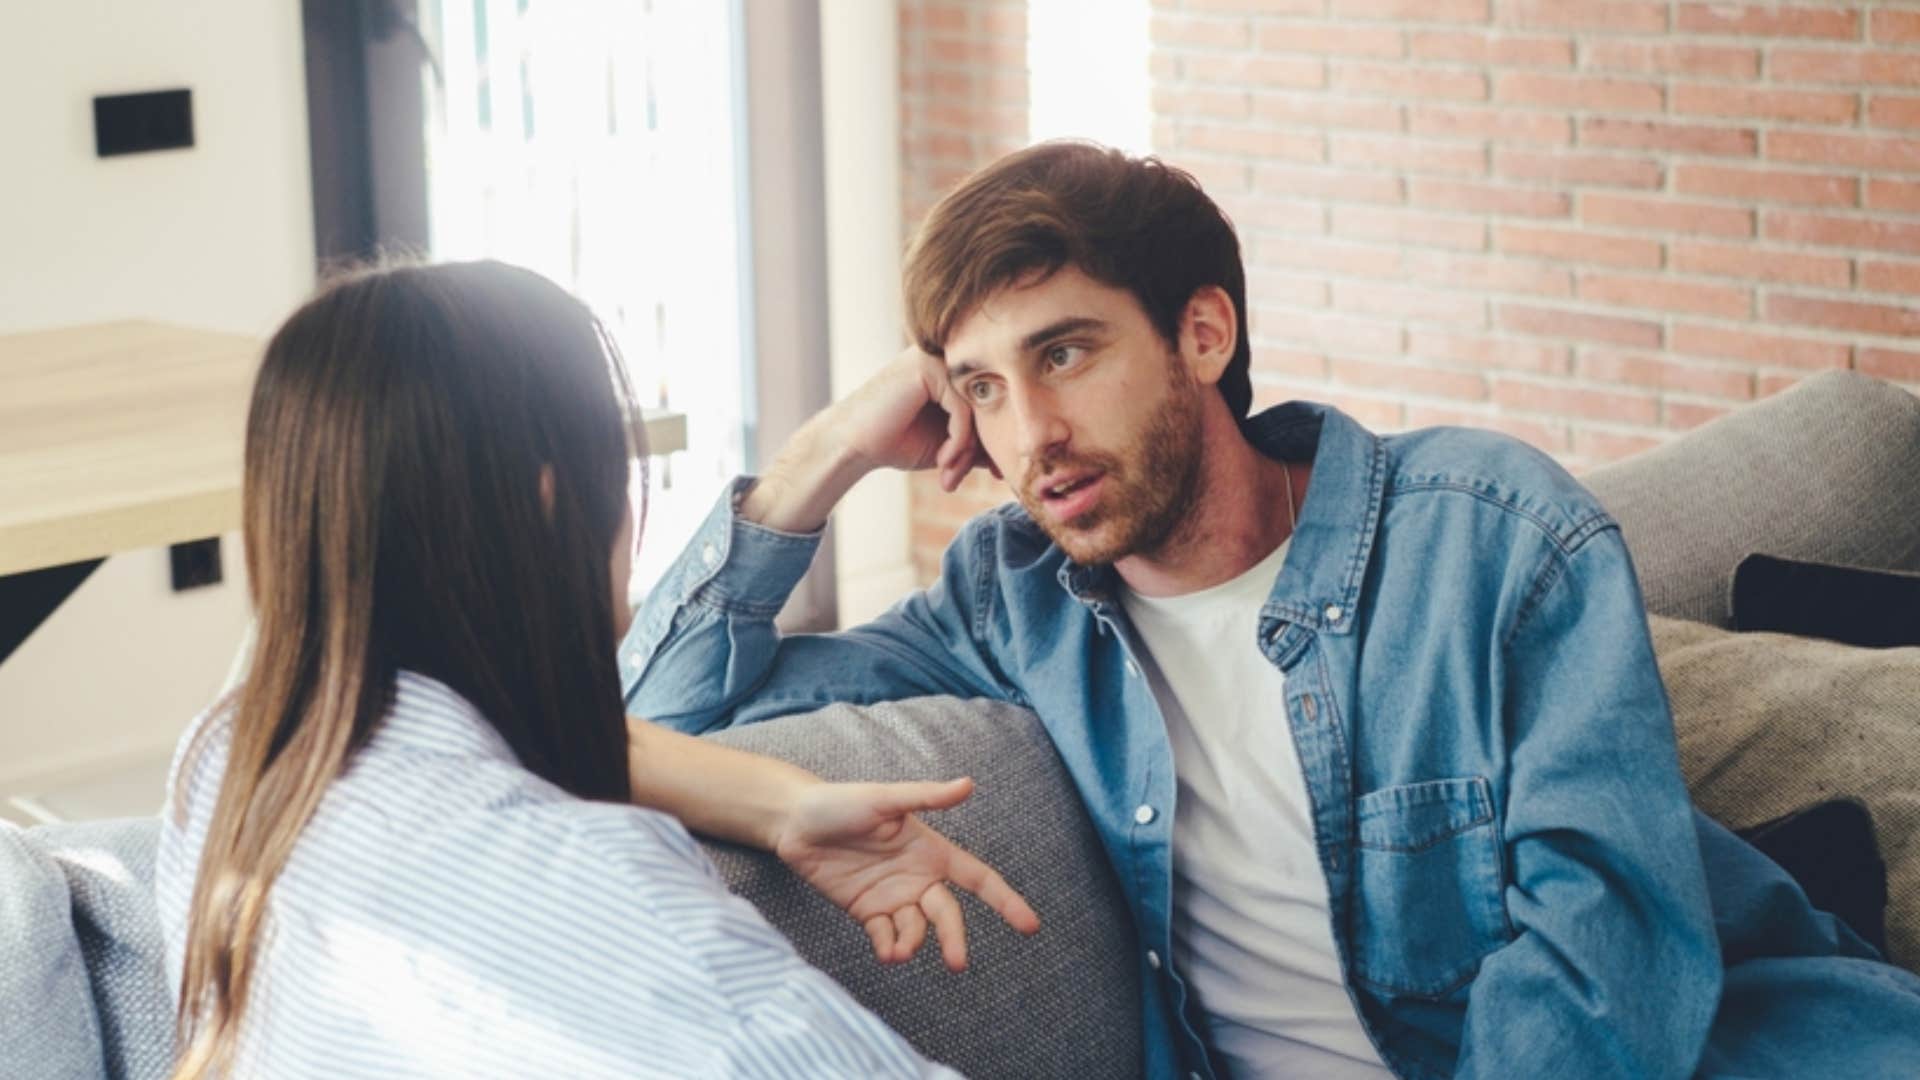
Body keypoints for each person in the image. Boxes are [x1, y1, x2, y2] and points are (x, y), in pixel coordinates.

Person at [626, 141, 1920, 1079]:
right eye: (983, 388)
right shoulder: (1015, 600)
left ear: (1202, 333)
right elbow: (651, 710)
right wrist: (823, 460)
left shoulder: (1488, 539)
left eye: (1064, 354)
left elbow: (1605, 965)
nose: (1034, 439)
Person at [154, 261, 1038, 1079]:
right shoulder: (586, 896)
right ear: (553, 506)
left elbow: (567, 731)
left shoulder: (232, 758)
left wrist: (776, 803)